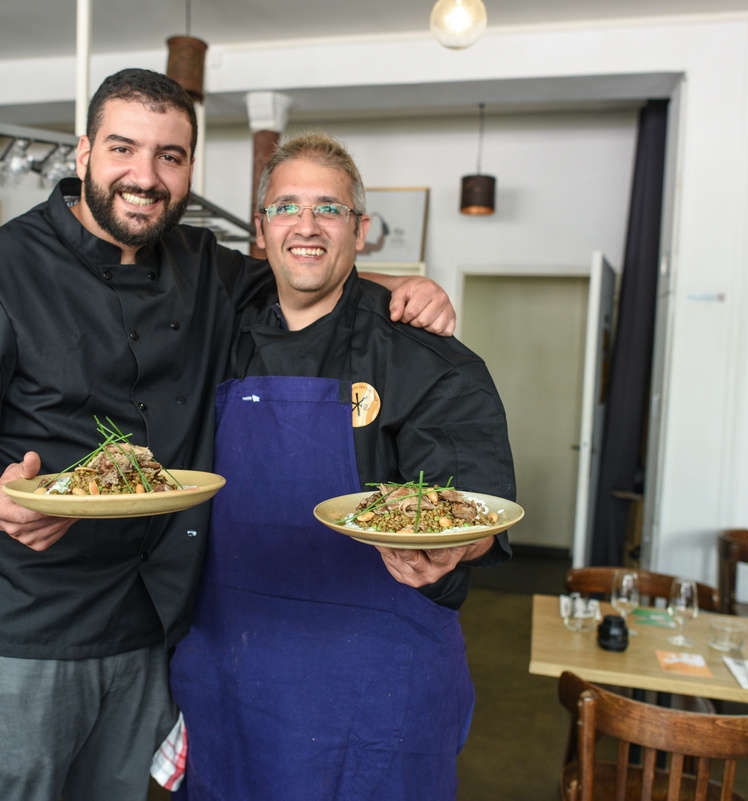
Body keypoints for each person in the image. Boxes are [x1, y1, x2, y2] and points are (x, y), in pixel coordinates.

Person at [0, 68, 456, 800]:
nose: (145, 175)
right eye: (124, 149)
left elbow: (310, 268)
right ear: (83, 153)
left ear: (190, 166)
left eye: (170, 155)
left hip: (151, 622)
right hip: (29, 625)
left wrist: (403, 289)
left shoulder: (205, 267)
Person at [168, 133, 516, 801]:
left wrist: (450, 549)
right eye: (286, 207)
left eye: (328, 208)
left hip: (376, 686)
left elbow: (477, 507)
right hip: (230, 671)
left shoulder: (429, 358)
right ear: (261, 230)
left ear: (360, 230)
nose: (305, 225)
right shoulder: (212, 336)